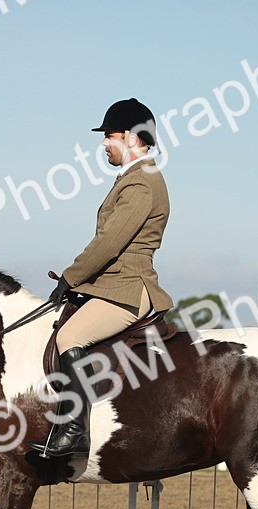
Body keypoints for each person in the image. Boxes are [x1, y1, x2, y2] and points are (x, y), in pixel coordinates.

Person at [28, 98, 174, 459]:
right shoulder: (133, 179)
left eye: (109, 135)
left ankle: (74, 431)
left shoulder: (141, 183)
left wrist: (71, 277)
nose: (104, 143)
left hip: (128, 287)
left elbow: (109, 243)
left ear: (132, 138)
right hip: (113, 284)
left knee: (70, 336)